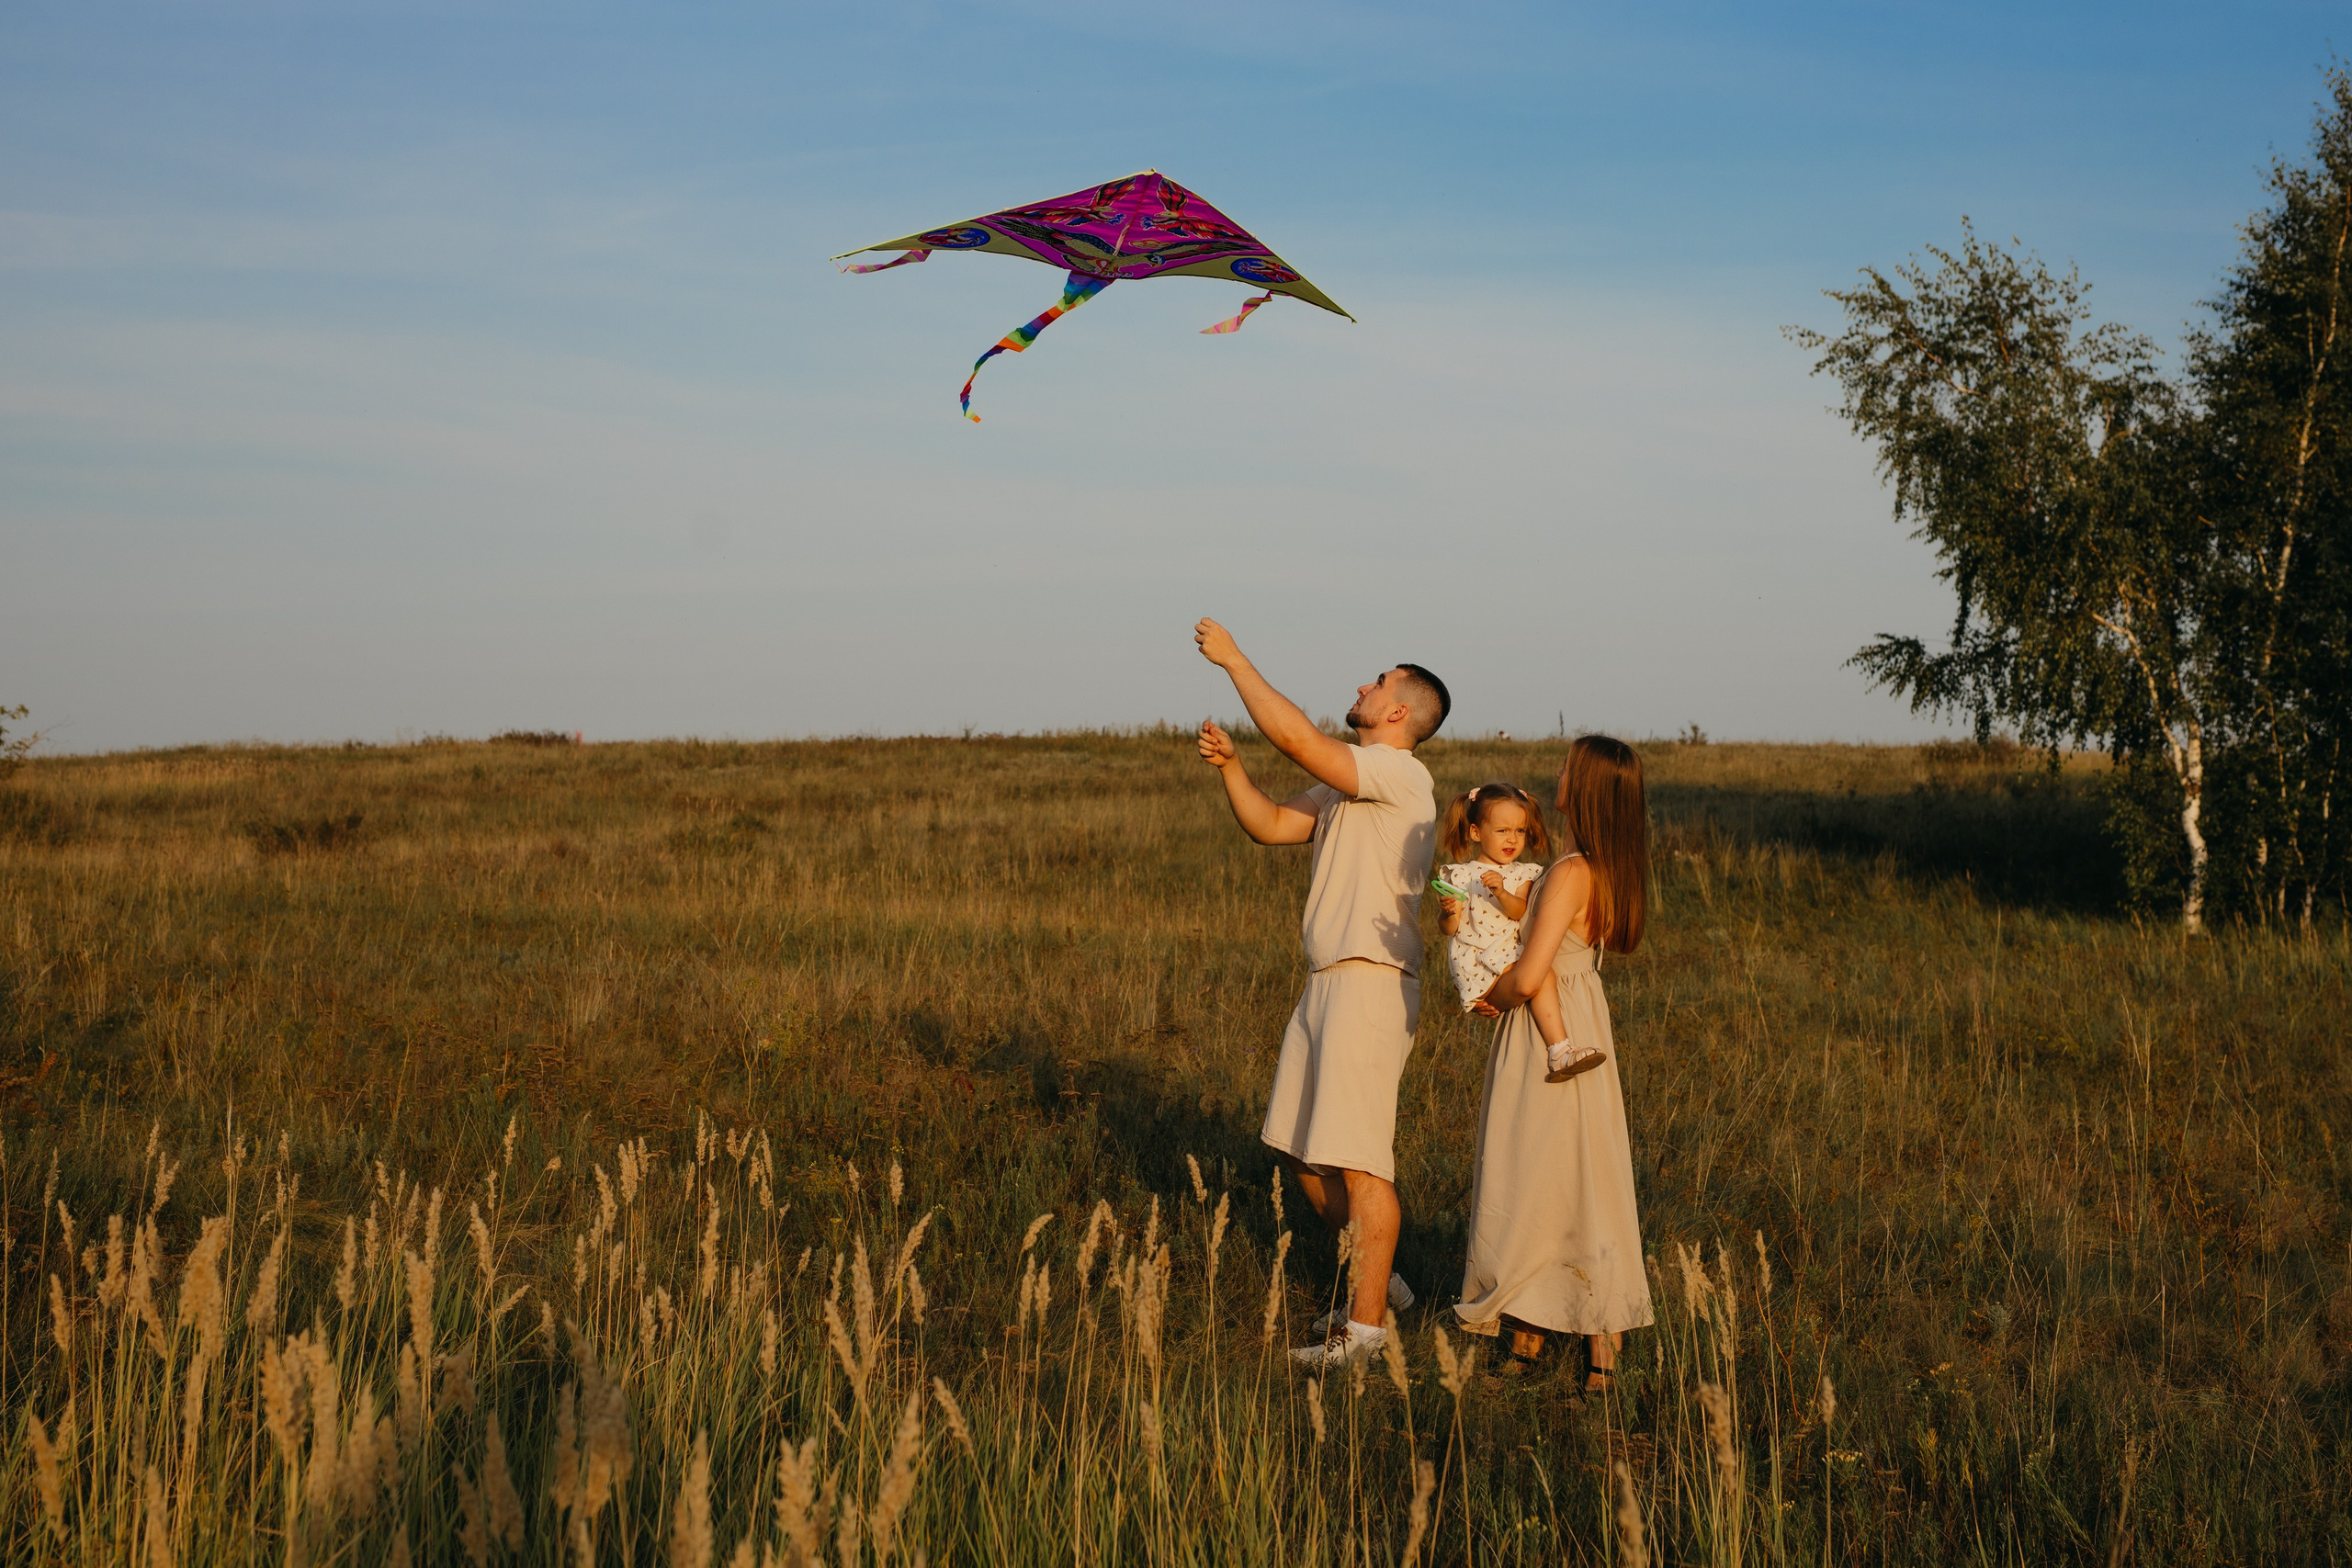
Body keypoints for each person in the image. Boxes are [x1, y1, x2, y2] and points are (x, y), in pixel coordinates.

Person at [1193, 617, 1449, 1369]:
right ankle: (1385, 1282)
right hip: (1326, 982)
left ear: (1398, 711)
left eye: (1375, 684)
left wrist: (1237, 661)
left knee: (1364, 1162)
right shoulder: (1347, 785)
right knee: (1304, 1154)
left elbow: (1301, 739)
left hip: (1370, 979)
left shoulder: (1400, 775)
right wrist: (1232, 768)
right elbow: (1272, 825)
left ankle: (1363, 1337)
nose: (1361, 688)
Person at [1455, 735, 1656, 1391]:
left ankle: (1547, 1333)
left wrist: (1489, 993)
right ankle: (1570, 1337)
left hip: (1550, 1028)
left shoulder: (1568, 871)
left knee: (1535, 1173)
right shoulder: (1601, 865)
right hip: (1583, 1015)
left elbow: (1532, 970)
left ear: (1588, 786)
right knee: (1583, 1170)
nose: (1559, 771)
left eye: (1570, 766)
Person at [1434, 784, 1597, 1081]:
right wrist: (1446, 912)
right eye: (1502, 831)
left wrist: (1501, 892)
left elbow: (1520, 911)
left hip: (1506, 951)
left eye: (1520, 831)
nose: (1512, 839)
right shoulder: (1460, 874)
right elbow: (1450, 929)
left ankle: (1554, 1051)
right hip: (1477, 957)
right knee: (1542, 975)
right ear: (1475, 833)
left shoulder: (1523, 873)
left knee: (1537, 976)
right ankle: (1560, 1051)